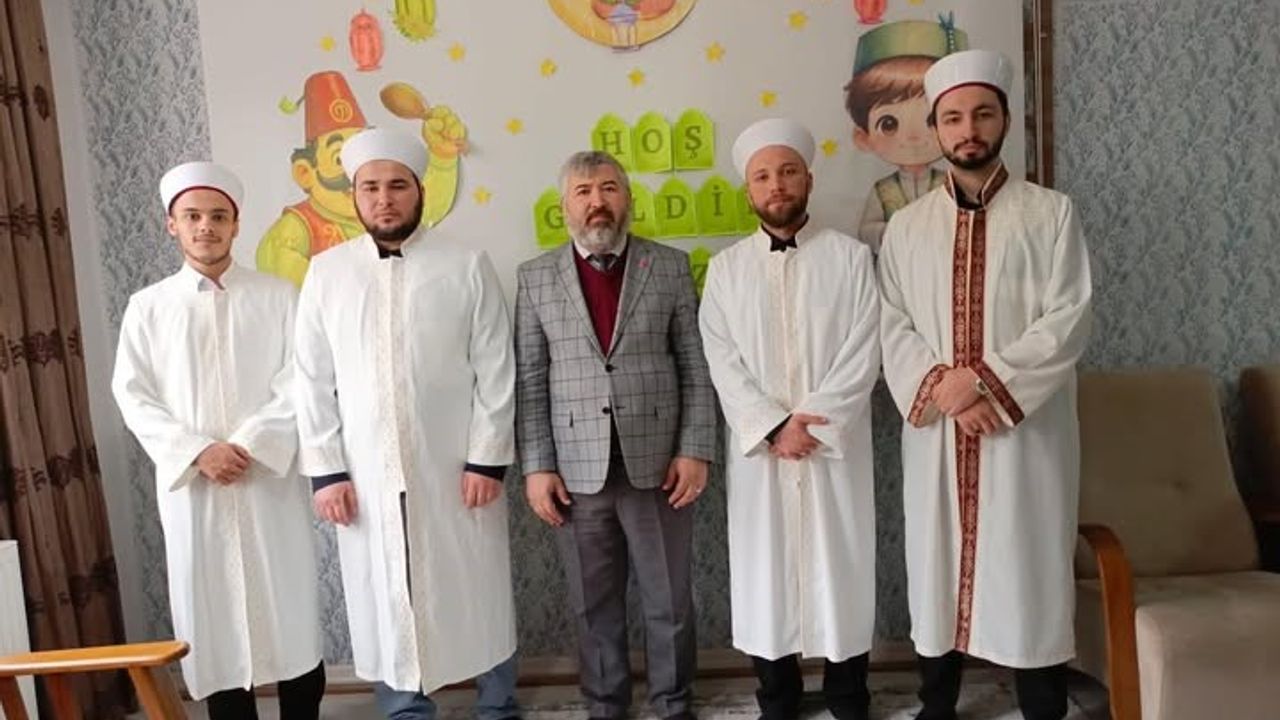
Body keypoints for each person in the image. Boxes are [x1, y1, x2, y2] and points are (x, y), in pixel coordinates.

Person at [877, 49, 1093, 720]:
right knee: (936, 565)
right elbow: (891, 323)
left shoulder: (1051, 215)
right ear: (936, 128)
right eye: (953, 118)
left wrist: (984, 384)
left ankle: (1042, 704)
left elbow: (1068, 318)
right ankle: (937, 704)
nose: (967, 130)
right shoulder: (906, 228)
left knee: (1029, 564)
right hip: (940, 432)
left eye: (981, 115)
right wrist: (943, 388)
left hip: (1024, 432)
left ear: (1004, 120)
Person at [293, 128, 520, 720]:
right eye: (370, 187)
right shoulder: (327, 274)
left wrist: (487, 458)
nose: (384, 198)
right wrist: (327, 472)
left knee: (477, 584)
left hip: (456, 466)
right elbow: (310, 379)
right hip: (365, 470)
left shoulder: (466, 264)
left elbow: (496, 368)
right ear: (354, 195)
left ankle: (498, 705)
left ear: (420, 191)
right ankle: (405, 709)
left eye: (397, 185)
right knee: (384, 584)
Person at [112, 161, 325, 719]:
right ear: (172, 225)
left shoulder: (279, 296)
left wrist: (249, 443)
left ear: (236, 225)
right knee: (215, 628)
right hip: (196, 489)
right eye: (192, 216)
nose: (205, 226)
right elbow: (134, 395)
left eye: (217, 216)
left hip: (266, 481)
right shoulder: (148, 307)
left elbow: (301, 379)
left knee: (290, 616)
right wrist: (198, 451)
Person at [514, 150, 717, 720]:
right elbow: (531, 379)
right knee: (592, 602)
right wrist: (537, 466)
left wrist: (694, 449)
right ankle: (605, 704)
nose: (597, 202)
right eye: (583, 192)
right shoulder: (535, 278)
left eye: (608, 188)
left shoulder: (669, 266)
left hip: (660, 465)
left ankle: (673, 702)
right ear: (564, 207)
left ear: (627, 198)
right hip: (575, 471)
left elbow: (695, 366)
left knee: (669, 598)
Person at [699, 118, 881, 720]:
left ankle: (848, 694)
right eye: (762, 176)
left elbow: (865, 349)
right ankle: (777, 696)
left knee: (842, 566)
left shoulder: (852, 259)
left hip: (833, 448)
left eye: (787, 172)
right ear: (748, 189)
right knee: (766, 574)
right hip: (764, 453)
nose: (776, 185)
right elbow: (722, 360)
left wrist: (814, 423)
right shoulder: (725, 271)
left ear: (808, 179)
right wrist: (774, 426)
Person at [843, 16, 968, 252]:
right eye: (889, 124)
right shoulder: (883, 190)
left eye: (931, 120)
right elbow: (866, 231)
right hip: (895, 264)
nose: (913, 137)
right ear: (863, 137)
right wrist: (896, 232)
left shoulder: (950, 184)